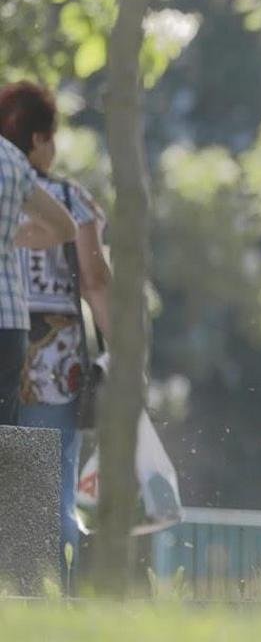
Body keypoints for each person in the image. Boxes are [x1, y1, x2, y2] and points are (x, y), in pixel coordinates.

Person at [0, 81, 107, 580]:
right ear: (40, 138)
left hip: (16, 343)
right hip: (49, 359)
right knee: (52, 479)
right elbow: (96, 283)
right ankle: (48, 585)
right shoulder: (64, 195)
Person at [0, 84, 77, 427]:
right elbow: (65, 227)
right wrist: (16, 238)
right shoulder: (12, 160)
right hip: (10, 323)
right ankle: (28, 484)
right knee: (13, 441)